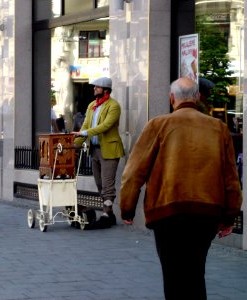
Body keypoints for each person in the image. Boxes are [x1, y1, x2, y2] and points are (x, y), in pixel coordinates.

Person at [119, 77, 242, 300]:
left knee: (173, 274)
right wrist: (229, 217)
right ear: (197, 97)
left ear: (172, 98)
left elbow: (133, 172)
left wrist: (127, 208)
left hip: (168, 213)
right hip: (206, 213)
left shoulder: (158, 125)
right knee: (196, 272)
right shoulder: (218, 128)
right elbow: (231, 178)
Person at [72, 77, 124, 219]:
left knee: (107, 184)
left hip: (109, 150)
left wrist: (85, 133)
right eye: (94, 87)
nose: (94, 89)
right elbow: (85, 126)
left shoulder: (114, 106)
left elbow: (105, 126)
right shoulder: (91, 106)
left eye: (97, 87)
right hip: (94, 150)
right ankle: (110, 214)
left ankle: (106, 213)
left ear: (105, 90)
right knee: (100, 184)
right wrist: (72, 145)